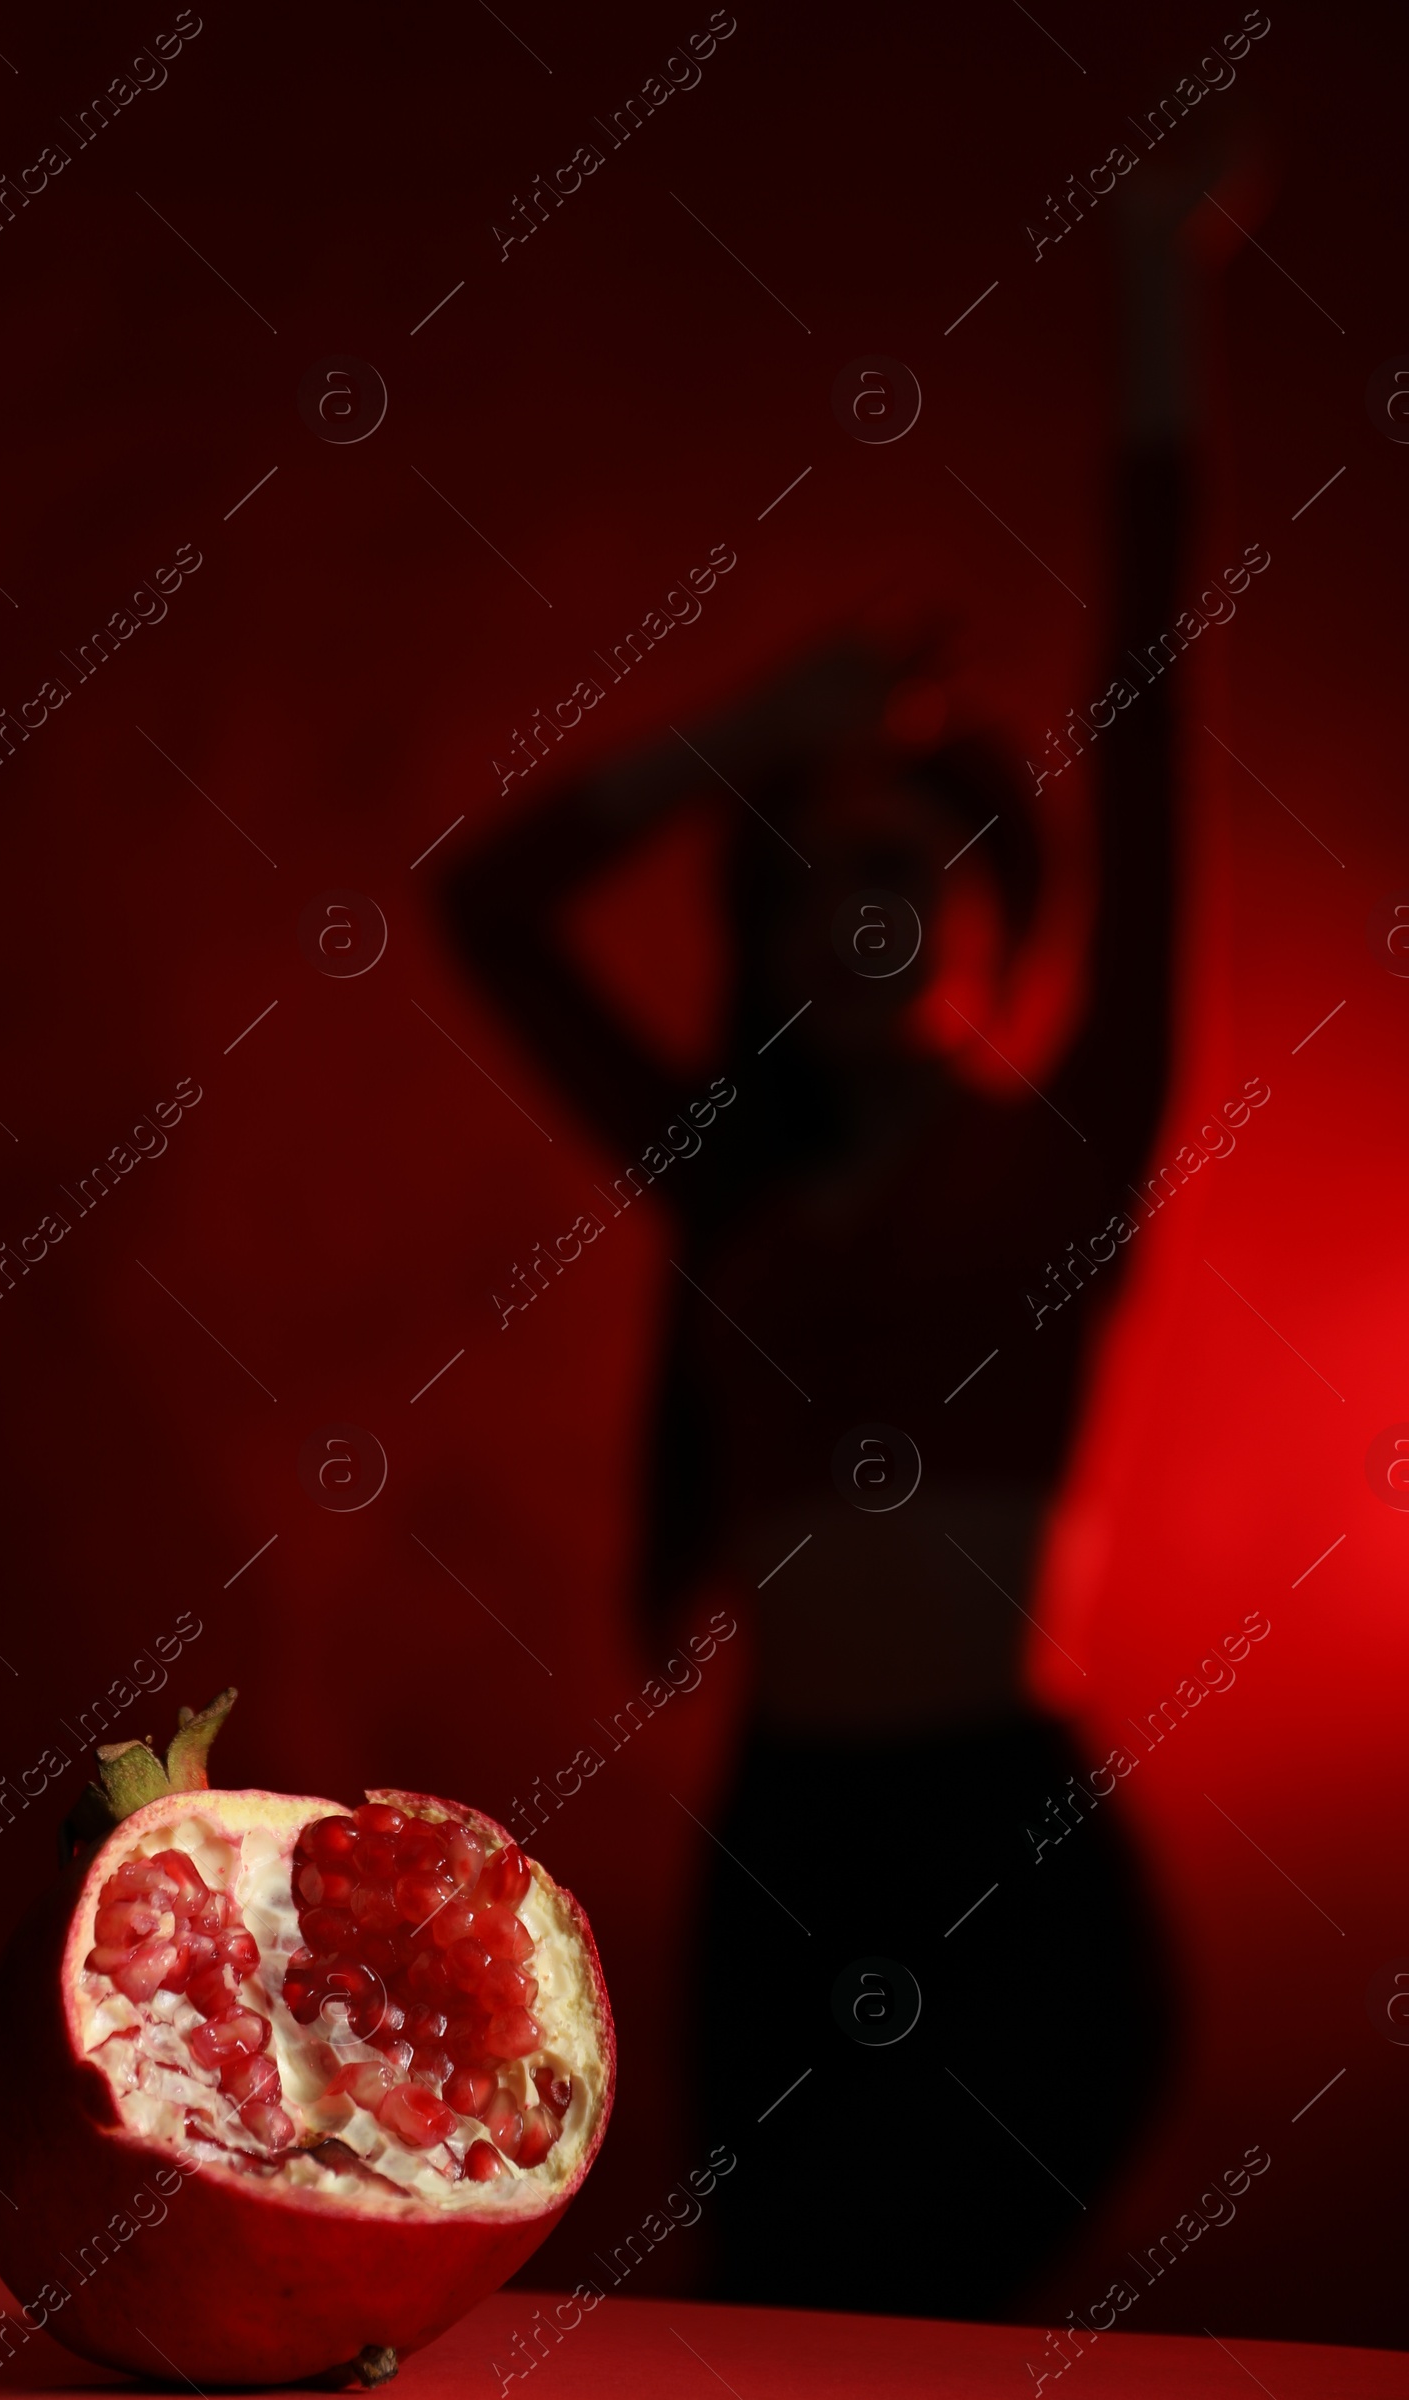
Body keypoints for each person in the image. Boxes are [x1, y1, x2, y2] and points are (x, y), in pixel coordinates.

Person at [444, 153, 1237, 2315]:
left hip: (1011, 1854)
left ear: (986, 911)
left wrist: (1148, 302)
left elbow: (1148, 715)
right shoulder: (729, 1169)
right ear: (769, 939)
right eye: (813, 875)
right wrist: (748, 735)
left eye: (905, 862)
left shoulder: (1062, 1150)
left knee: (928, 2318)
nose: (859, 904)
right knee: (769, 2324)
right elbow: (478, 909)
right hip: (781, 1850)